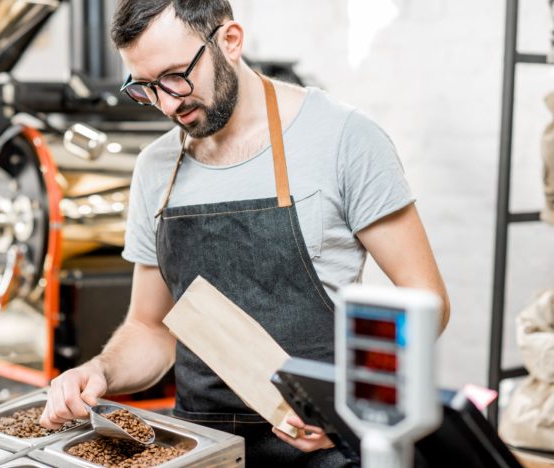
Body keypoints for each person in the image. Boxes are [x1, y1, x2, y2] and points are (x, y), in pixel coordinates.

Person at [41, 0, 450, 466]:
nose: (168, 103)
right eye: (146, 88)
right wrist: (100, 370)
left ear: (230, 41)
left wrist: (348, 409)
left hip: (329, 446)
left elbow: (426, 303)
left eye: (177, 76)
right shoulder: (155, 168)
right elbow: (149, 328)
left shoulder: (344, 138)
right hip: (203, 449)